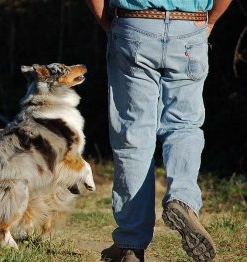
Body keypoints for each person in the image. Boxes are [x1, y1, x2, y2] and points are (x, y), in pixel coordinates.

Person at [86, 0, 232, 261]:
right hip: (190, 27)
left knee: (134, 135)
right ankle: (183, 199)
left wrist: (105, 22)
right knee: (184, 125)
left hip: (135, 23)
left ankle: (131, 242)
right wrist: (210, 21)